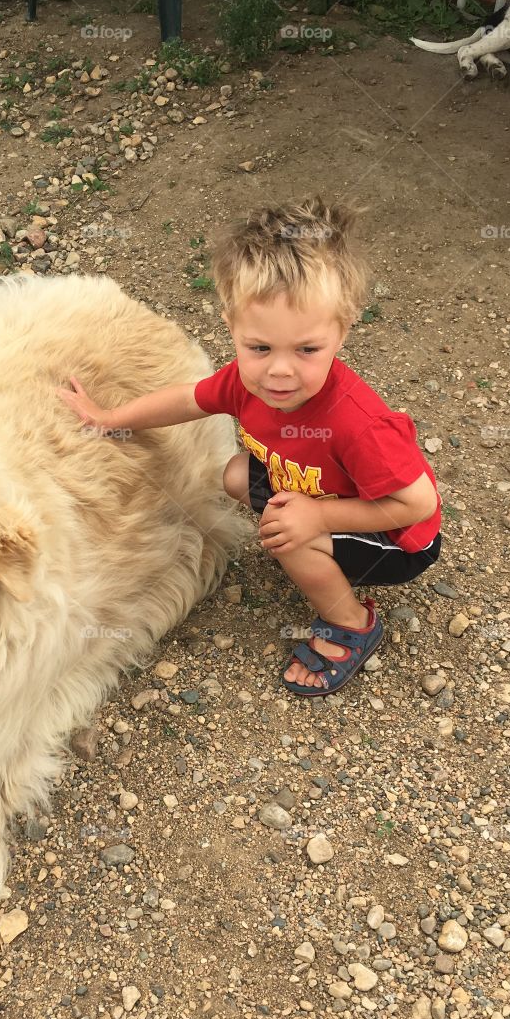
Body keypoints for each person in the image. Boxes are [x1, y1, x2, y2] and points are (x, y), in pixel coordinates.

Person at [57, 198, 441, 696]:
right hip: (320, 494)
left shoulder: (358, 424)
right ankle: (310, 546)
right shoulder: (245, 382)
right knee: (237, 474)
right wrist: (109, 418)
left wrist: (318, 520)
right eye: (260, 347)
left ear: (341, 331)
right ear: (231, 326)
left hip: (397, 540)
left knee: (293, 534)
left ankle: (353, 624)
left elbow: (416, 505)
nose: (280, 371)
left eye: (307, 349)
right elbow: (186, 400)